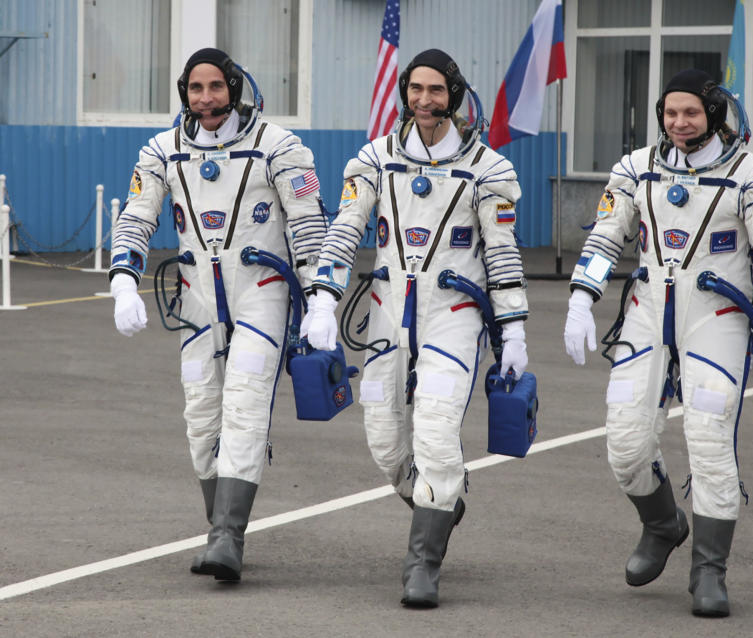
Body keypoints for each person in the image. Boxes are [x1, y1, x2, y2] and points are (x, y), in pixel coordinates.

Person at [563, 69, 753, 618]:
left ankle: (708, 570)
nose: (680, 123)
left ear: (715, 114)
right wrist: (583, 297)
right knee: (626, 443)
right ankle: (662, 524)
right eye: (671, 113)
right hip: (647, 316)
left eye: (692, 113)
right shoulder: (636, 170)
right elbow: (606, 237)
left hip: (716, 319)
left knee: (707, 437)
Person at [306, 48, 529, 609]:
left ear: (454, 95)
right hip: (386, 314)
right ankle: (441, 498)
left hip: (452, 316)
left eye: (435, 90)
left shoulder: (488, 170)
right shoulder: (375, 160)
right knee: (384, 439)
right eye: (415, 89)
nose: (424, 100)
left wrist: (515, 330)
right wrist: (322, 298)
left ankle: (422, 563)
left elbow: (502, 257)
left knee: (434, 428)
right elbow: (345, 229)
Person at [108, 48, 328, 581]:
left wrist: (321, 299)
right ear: (184, 92)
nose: (206, 99)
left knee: (245, 405)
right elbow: (137, 214)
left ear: (235, 87)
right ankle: (220, 528)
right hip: (198, 301)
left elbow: (308, 226)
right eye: (195, 89)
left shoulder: (277, 147)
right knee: (202, 415)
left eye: (216, 87)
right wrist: (122, 281)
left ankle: (228, 537)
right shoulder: (163, 151)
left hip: (262, 293)